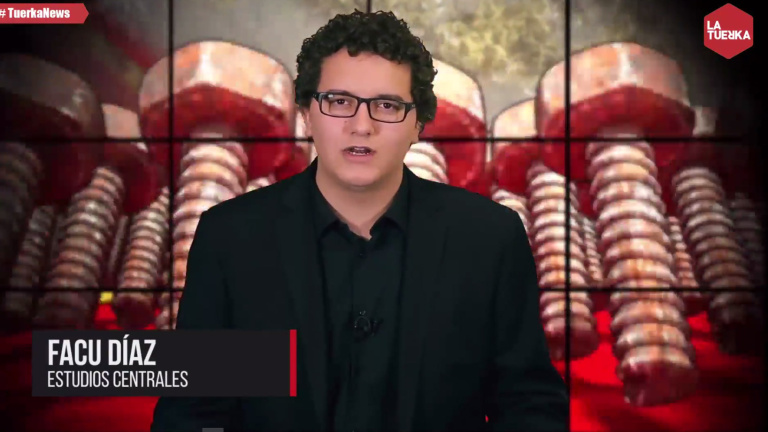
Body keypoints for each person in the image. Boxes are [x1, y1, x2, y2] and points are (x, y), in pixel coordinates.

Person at [151, 9, 568, 432]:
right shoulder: (231, 238)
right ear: (306, 115)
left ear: (418, 124)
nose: (361, 126)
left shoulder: (489, 239)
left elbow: (528, 403)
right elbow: (193, 411)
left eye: (387, 105)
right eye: (339, 102)